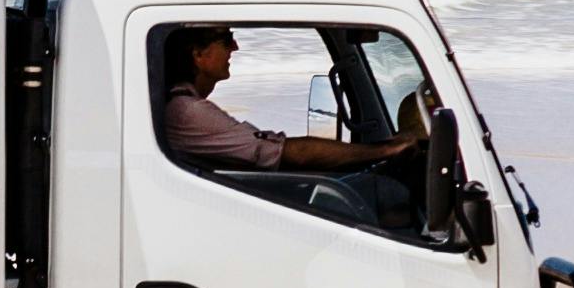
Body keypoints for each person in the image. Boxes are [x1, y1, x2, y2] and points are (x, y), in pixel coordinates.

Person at [156, 24, 420, 179]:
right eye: (226, 40)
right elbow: (290, 154)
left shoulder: (183, 106)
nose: (234, 47)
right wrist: (385, 150)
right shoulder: (188, 111)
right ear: (199, 55)